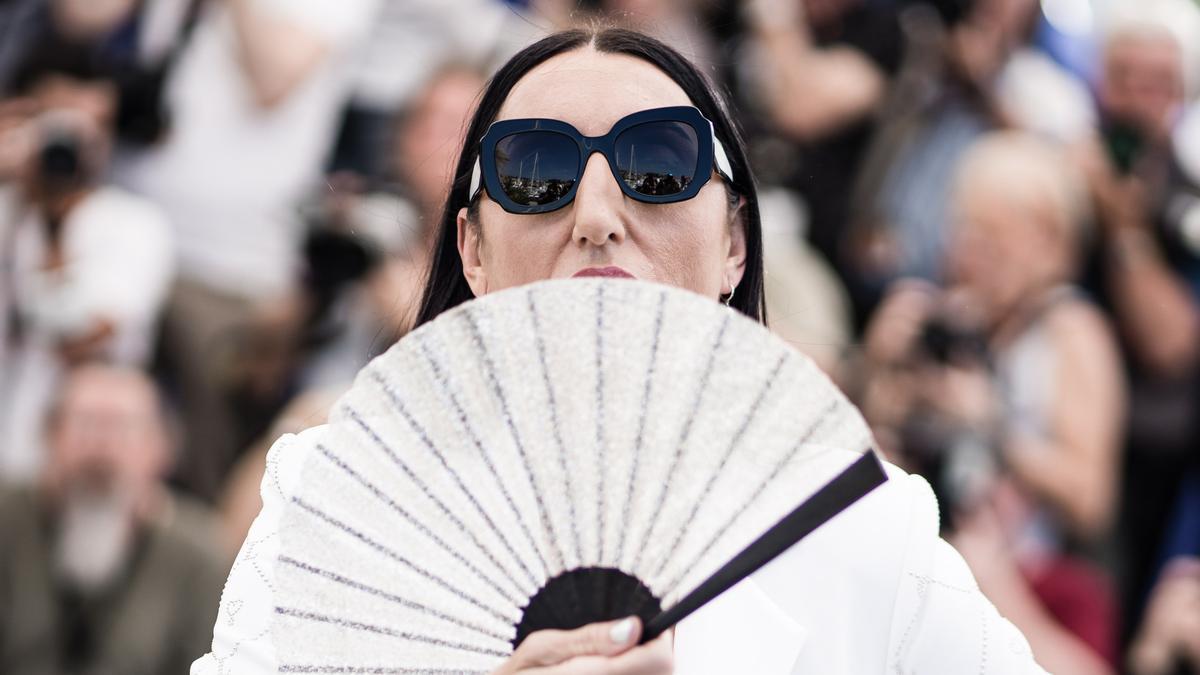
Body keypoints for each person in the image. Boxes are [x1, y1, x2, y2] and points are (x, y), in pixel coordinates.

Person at [193, 27, 1046, 674]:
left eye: (659, 165)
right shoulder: (335, 503)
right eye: (535, 172)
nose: (597, 212)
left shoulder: (864, 532)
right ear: (471, 250)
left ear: (736, 246)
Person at [860, 132, 1124, 673]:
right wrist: (880, 363)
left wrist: (990, 424)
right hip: (947, 560)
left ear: (1047, 241)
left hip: (1040, 589)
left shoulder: (1071, 330)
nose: (969, 257)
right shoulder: (960, 318)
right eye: (965, 234)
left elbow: (1090, 497)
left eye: (992, 239)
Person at [0, 44, 174, 481]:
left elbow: (78, 337)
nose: (73, 142)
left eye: (89, 125)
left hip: (56, 472)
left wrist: (52, 218)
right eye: (57, 122)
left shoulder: (134, 225)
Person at [0, 364, 228, 674]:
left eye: (124, 428)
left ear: (161, 448)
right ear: (49, 436)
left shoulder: (199, 555)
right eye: (85, 424)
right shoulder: (9, 521)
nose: (102, 447)